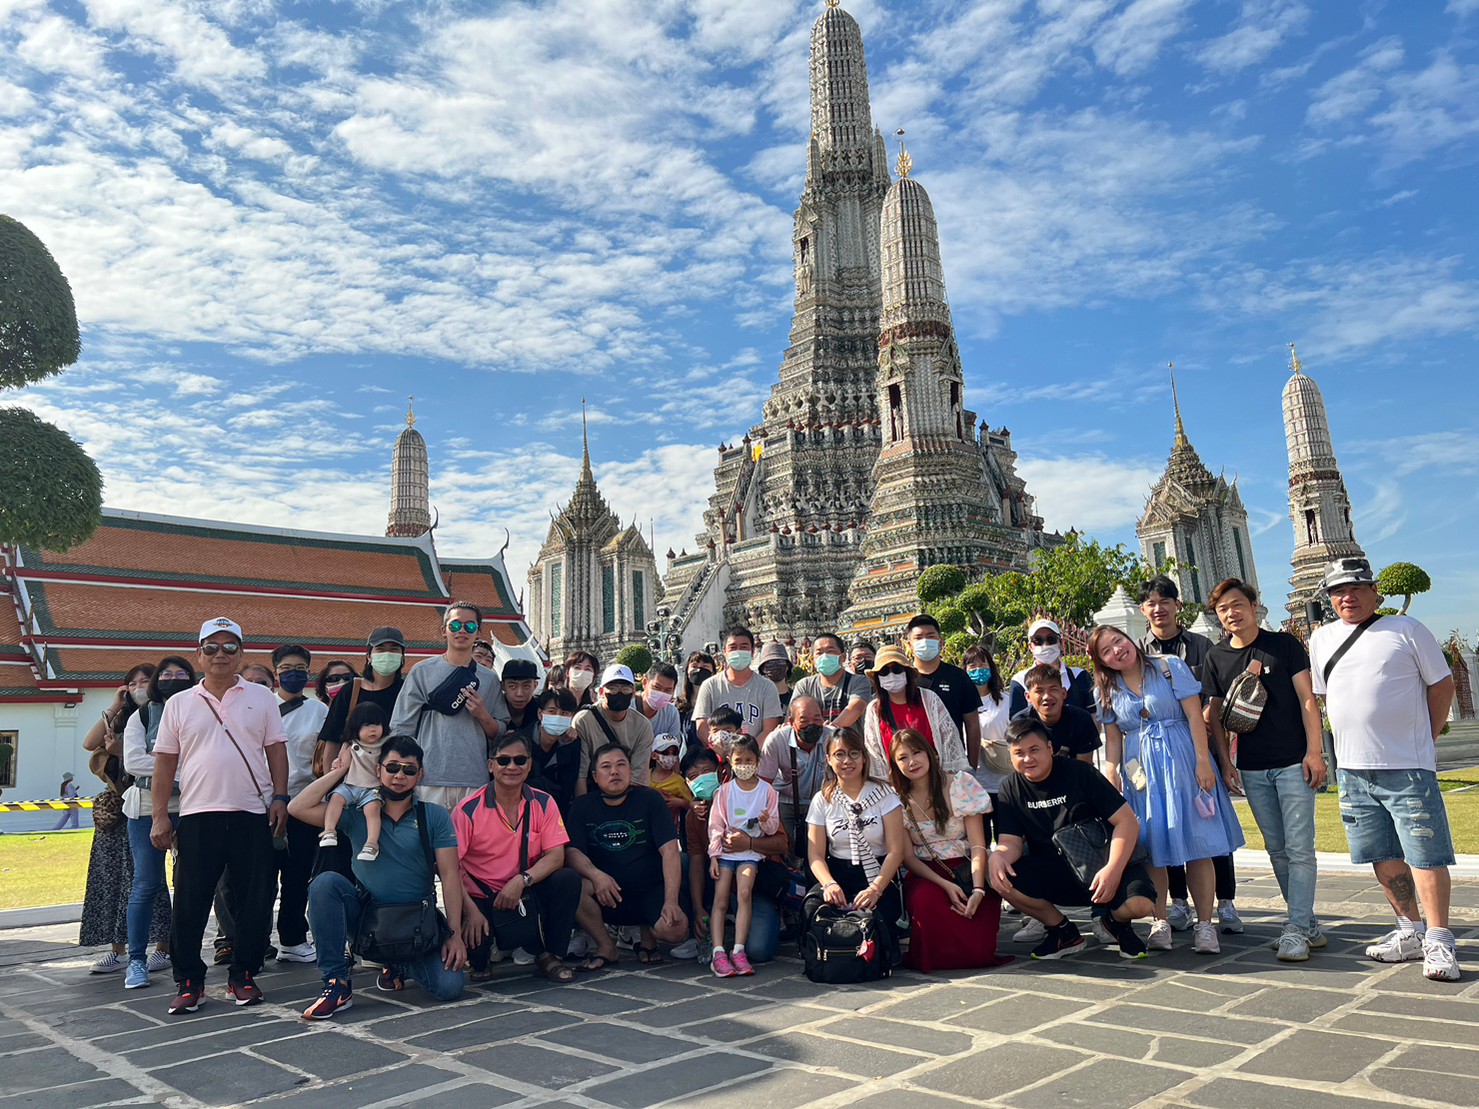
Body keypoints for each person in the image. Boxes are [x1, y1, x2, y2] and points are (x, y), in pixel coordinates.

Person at [1307, 558, 1460, 981]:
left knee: (1425, 854)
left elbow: (1443, 685)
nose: (1348, 597)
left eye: (1356, 588)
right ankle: (1410, 930)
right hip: (1353, 769)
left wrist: (1425, 737)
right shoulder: (1321, 638)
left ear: (1376, 592)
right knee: (1383, 855)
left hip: (1407, 766)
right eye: (1338, 591)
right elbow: (1325, 697)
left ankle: (1439, 939)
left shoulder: (1407, 630)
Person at [149, 617, 289, 1015]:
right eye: (211, 647)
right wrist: (160, 815)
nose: (220, 655)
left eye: (230, 647)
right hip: (198, 814)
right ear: (199, 654)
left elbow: (276, 749)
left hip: (251, 811)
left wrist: (280, 796)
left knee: (255, 900)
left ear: (241, 654)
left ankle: (243, 974)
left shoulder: (262, 698)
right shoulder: (180, 703)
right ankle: (189, 981)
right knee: (190, 902)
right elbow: (165, 763)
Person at [1090, 624, 1245, 956]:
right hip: (1142, 774)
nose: (1116, 650)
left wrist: (1203, 762)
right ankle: (1160, 920)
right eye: (1106, 651)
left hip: (1183, 762)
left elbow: (1194, 716)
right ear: (1101, 661)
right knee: (1153, 847)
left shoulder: (1168, 666)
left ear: (1129, 639)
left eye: (1118, 641)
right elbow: (1113, 738)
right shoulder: (1106, 690)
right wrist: (1111, 772)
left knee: (1199, 843)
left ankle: (1205, 924)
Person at [290, 735, 467, 1018]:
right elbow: (297, 807)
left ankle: (399, 963)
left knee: (449, 986)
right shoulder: (355, 813)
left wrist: (454, 934)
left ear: (420, 775)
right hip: (368, 920)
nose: (399, 776)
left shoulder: (434, 816)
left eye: (409, 770)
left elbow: (449, 874)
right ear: (378, 770)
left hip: (416, 925)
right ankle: (336, 983)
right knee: (325, 884)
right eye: (392, 767)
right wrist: (340, 772)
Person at [1201, 577, 1326, 961]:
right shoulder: (1216, 657)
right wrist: (1226, 763)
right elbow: (1215, 717)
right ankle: (1306, 924)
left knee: (1299, 848)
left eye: (1237, 605)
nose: (1231, 613)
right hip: (1252, 768)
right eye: (1223, 609)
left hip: (1293, 762)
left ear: (1254, 606)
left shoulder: (1284, 645)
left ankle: (1295, 928)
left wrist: (1315, 752)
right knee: (1277, 849)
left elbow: (1308, 699)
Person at [989, 718, 1157, 960]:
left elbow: (1127, 822)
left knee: (1141, 905)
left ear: (1050, 747)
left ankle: (1115, 923)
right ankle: (1063, 932)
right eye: (1019, 753)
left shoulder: (1080, 773)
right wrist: (998, 856)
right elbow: (1011, 842)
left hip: (1101, 865)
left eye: (1034, 750)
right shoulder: (1010, 788)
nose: (1027, 759)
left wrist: (1113, 869)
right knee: (997, 874)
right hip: (1053, 871)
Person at [1138, 575, 1242, 937]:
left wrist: (1206, 730)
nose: (1158, 609)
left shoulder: (1201, 645)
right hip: (1161, 752)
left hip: (1200, 745)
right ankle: (1179, 901)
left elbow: (1215, 695)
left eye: (1165, 602)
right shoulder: (1138, 651)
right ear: (1143, 610)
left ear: (1177, 606)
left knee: (1210, 825)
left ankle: (1225, 900)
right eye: (1151, 603)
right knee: (1170, 825)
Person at [455, 733, 582, 984]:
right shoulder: (468, 809)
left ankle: (549, 954)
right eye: (503, 761)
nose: (512, 767)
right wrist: (470, 911)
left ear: (530, 764)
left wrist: (521, 881)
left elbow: (556, 856)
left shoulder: (543, 802)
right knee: (479, 966)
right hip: (481, 897)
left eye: (520, 760)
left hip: (525, 890)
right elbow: (448, 867)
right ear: (490, 766)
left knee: (567, 879)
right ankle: (485, 952)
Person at [889, 728, 1008, 973]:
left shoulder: (960, 784)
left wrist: (978, 889)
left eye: (916, 752)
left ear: (930, 753)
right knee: (925, 901)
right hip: (926, 872)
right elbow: (908, 857)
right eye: (902, 757)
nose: (912, 762)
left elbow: (978, 845)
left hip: (968, 868)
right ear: (895, 764)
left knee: (980, 951)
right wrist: (944, 885)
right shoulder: (895, 800)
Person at [566, 744, 689, 967]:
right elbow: (573, 852)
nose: (614, 771)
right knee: (573, 886)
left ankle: (648, 935)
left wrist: (671, 902)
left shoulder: (650, 799)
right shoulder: (582, 806)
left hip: (650, 889)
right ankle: (606, 946)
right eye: (606, 767)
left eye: (621, 765)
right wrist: (596, 876)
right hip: (607, 893)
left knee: (676, 930)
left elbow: (670, 850)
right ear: (595, 776)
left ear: (631, 770)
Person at [82, 664, 167, 982]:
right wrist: (115, 705)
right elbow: (89, 743)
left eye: (145, 681)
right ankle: (119, 950)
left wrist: (124, 752)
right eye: (132, 683)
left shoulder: (163, 715)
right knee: (114, 880)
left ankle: (163, 946)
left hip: (152, 804)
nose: (138, 687)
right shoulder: (121, 719)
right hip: (117, 810)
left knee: (150, 879)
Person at [391, 602, 509, 810]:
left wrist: (482, 714)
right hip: (429, 776)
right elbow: (402, 727)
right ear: (443, 631)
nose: (462, 631)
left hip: (473, 777)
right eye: (455, 625)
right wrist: (407, 770)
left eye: (470, 626)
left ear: (478, 633)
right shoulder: (422, 671)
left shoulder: (489, 679)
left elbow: (500, 732)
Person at [119, 660, 193, 988]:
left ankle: (182, 953)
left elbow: (207, 758)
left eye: (181, 675)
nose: (172, 680)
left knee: (190, 885)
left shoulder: (200, 710)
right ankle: (136, 960)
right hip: (147, 808)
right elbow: (133, 761)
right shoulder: (143, 715)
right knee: (146, 884)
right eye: (166, 674)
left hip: (192, 806)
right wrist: (178, 763)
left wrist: (162, 760)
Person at [806, 727, 907, 967]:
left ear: (864, 757)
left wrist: (876, 889)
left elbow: (896, 851)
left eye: (854, 753)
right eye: (839, 754)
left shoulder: (884, 794)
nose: (847, 761)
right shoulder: (823, 799)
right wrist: (829, 884)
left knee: (880, 916)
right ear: (829, 759)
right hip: (838, 874)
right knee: (813, 908)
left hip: (878, 873)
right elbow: (815, 854)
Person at [268, 644, 329, 965]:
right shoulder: (261, 707)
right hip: (263, 804)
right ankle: (252, 942)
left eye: (300, 669)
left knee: (297, 876)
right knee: (261, 878)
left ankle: (292, 940)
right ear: (275, 672)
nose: (294, 674)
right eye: (287, 669)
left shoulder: (319, 711)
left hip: (303, 804)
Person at [706, 736, 780, 977]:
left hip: (750, 854)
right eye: (739, 760)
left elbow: (773, 828)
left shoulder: (768, 791)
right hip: (726, 853)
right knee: (720, 898)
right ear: (730, 761)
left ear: (758, 761)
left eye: (749, 760)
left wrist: (766, 822)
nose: (744, 765)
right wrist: (714, 855)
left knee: (745, 892)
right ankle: (718, 951)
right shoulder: (724, 791)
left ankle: (738, 950)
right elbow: (716, 824)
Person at [861, 646, 967, 779]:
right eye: (884, 672)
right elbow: (873, 752)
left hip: (934, 778)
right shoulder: (874, 709)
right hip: (896, 783)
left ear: (907, 673)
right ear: (877, 678)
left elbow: (948, 737)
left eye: (897, 669)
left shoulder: (929, 699)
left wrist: (945, 777)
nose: (891, 675)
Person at [317, 627, 408, 771]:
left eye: (394, 649)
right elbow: (332, 739)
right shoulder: (351, 691)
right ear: (369, 656)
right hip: (354, 776)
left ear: (402, 657)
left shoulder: (408, 692)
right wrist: (329, 780)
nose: (387, 654)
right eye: (380, 649)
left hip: (396, 775)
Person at [905, 614, 984, 773]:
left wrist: (971, 767)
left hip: (953, 764)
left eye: (930, 636)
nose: (925, 642)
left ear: (941, 642)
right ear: (909, 644)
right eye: (918, 638)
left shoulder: (958, 677)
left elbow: (972, 725)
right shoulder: (904, 680)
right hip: (914, 766)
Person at [758, 695, 829, 856]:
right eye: (804, 720)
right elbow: (764, 783)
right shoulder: (776, 740)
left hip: (822, 803)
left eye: (817, 719)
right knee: (786, 850)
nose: (811, 724)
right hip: (785, 802)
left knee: (819, 852)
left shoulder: (833, 738)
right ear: (791, 722)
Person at [318, 703, 389, 861]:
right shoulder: (350, 745)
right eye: (366, 725)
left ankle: (371, 843)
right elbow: (340, 762)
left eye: (377, 724)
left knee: (373, 810)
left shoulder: (386, 745)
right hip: (350, 785)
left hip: (372, 788)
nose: (373, 729)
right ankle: (329, 830)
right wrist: (336, 763)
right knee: (335, 799)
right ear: (355, 727)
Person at [573, 664, 655, 794]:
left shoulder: (642, 725)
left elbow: (638, 777)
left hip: (628, 793)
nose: (619, 693)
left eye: (625, 689)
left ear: (633, 693)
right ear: (601, 692)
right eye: (613, 689)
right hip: (593, 792)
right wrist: (582, 804)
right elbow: (581, 774)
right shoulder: (584, 720)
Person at [693, 627, 783, 744]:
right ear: (725, 651)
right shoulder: (710, 686)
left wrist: (748, 752)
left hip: (756, 753)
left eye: (744, 647)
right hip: (718, 753)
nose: (738, 651)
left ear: (752, 651)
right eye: (733, 647)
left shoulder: (767, 687)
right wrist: (720, 751)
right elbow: (702, 727)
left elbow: (769, 729)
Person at [1015, 665, 1102, 764]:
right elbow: (1022, 765)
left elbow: (1084, 767)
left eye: (1053, 690)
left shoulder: (1081, 720)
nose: (1047, 696)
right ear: (1028, 697)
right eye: (1039, 691)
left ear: (1064, 693)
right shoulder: (1020, 724)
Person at [1008, 619, 1094, 717]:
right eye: (1038, 640)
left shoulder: (1079, 676)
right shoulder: (1020, 682)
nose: (1045, 645)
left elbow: (1093, 717)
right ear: (1030, 646)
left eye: (1051, 639)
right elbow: (1017, 722)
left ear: (1060, 643)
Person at [962, 643, 1012, 807]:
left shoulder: (1006, 701)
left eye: (983, 664)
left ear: (991, 667)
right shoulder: (959, 703)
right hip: (973, 782)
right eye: (972, 666)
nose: (978, 669)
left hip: (1003, 781)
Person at [792, 632, 872, 729]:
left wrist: (829, 731)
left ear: (843, 657)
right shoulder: (804, 685)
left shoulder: (858, 681)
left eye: (830, 651)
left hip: (848, 738)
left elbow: (855, 708)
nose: (825, 656)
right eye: (819, 653)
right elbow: (794, 714)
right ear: (813, 660)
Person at [529, 687, 581, 814]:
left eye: (564, 713)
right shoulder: (522, 741)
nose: (558, 717)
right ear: (540, 714)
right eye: (552, 712)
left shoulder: (572, 745)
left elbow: (568, 786)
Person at [649, 733, 693, 832]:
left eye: (674, 752)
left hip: (669, 827)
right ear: (654, 755)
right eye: (665, 752)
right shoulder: (645, 777)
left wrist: (680, 802)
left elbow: (691, 805)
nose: (670, 756)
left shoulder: (679, 781)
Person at [676, 652, 717, 751]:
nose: (699, 669)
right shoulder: (678, 706)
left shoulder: (719, 702)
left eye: (705, 666)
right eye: (694, 666)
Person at [638, 662, 684, 742]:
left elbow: (674, 745)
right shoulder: (628, 708)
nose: (661, 693)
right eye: (656, 687)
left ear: (674, 690)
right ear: (645, 683)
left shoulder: (671, 713)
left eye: (667, 690)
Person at [757, 642, 794, 714]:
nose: (776, 665)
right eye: (770, 663)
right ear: (763, 669)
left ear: (787, 666)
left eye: (780, 661)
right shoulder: (756, 698)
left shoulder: (796, 697)